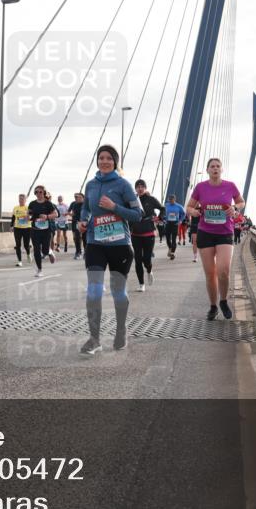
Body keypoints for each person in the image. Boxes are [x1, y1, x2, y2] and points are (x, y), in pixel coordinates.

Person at [79, 145, 143, 355]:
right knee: (94, 291)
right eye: (101, 158)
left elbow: (138, 214)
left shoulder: (123, 185)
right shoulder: (90, 185)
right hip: (95, 244)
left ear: (115, 162)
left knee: (118, 292)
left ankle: (121, 329)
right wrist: (83, 221)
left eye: (108, 158)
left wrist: (114, 207)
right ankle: (94, 339)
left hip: (120, 246)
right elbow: (86, 208)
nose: (104, 161)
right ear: (97, 161)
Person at [186, 157, 245, 321]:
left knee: (223, 271)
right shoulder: (200, 187)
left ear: (222, 169)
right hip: (205, 233)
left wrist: (234, 208)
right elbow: (189, 206)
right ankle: (213, 306)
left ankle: (224, 301)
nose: (215, 168)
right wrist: (193, 212)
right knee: (210, 273)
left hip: (225, 232)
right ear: (207, 170)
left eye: (218, 166)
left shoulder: (230, 186)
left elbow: (241, 202)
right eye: (212, 166)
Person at [130, 180, 163, 292]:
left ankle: (149, 271)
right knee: (138, 259)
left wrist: (160, 218)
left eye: (142, 186)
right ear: (135, 188)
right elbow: (125, 212)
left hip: (149, 233)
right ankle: (141, 284)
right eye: (138, 186)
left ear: (145, 188)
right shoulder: (132, 200)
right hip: (135, 234)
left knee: (146, 259)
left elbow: (162, 208)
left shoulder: (151, 199)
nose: (140, 188)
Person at [27, 186, 58, 277]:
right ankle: (39, 270)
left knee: (44, 250)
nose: (39, 193)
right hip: (35, 230)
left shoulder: (48, 203)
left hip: (46, 230)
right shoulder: (32, 203)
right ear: (35, 193)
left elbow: (55, 214)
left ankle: (49, 251)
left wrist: (47, 217)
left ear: (44, 193)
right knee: (36, 250)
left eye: (40, 192)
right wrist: (27, 217)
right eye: (37, 192)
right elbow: (28, 213)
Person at [11, 194, 32, 267]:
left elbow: (32, 217)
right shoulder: (15, 208)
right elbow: (13, 217)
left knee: (26, 245)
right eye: (20, 199)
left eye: (22, 199)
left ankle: (28, 254)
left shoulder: (28, 208)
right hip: (17, 228)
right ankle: (19, 261)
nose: (21, 200)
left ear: (25, 200)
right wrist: (11, 226)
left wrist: (27, 216)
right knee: (18, 245)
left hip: (27, 228)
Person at [164, 194, 186, 259]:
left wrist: (180, 221)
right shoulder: (166, 205)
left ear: (174, 199)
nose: (171, 201)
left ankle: (172, 253)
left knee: (173, 239)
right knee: (168, 239)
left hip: (175, 224)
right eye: (170, 200)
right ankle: (170, 248)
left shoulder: (179, 206)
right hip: (168, 223)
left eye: (172, 199)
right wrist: (164, 218)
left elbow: (183, 214)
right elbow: (163, 212)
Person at [69, 192, 85, 259]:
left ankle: (86, 252)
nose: (77, 198)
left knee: (85, 238)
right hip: (77, 223)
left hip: (85, 223)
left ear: (83, 198)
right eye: (76, 197)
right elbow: (74, 214)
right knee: (77, 237)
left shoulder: (86, 204)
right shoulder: (75, 205)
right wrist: (75, 220)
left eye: (79, 197)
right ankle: (78, 252)